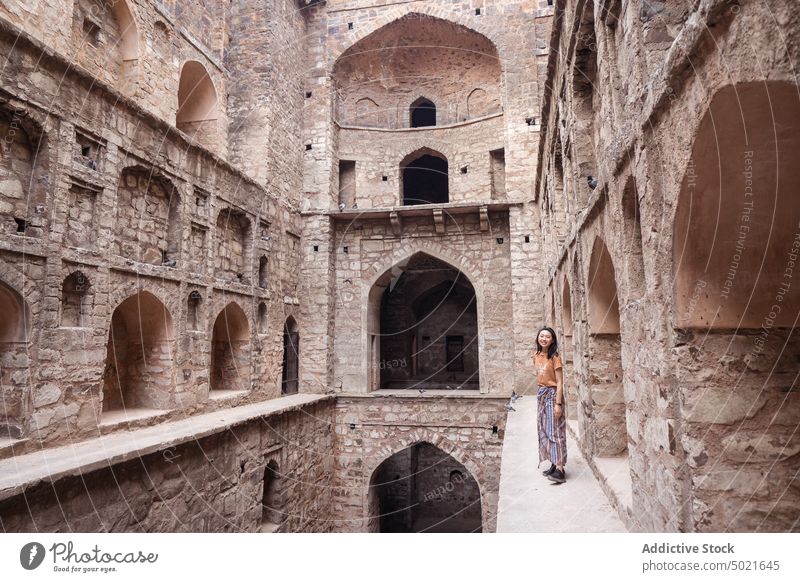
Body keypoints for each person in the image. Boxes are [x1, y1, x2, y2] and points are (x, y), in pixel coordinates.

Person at [534, 326, 567, 484]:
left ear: (552, 340)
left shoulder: (555, 357)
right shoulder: (536, 355)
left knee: (555, 431)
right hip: (541, 396)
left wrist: (558, 403)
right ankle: (554, 462)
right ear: (538, 338)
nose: (544, 339)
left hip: (553, 396)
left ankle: (560, 468)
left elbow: (560, 382)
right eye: (542, 336)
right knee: (545, 430)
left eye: (547, 337)